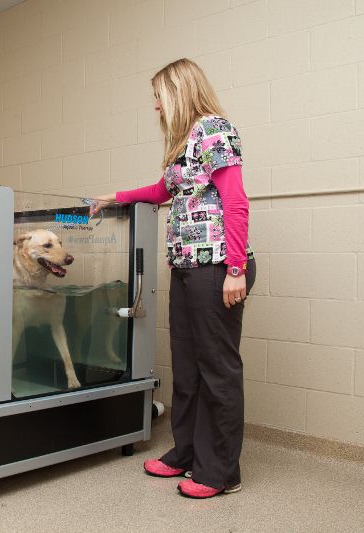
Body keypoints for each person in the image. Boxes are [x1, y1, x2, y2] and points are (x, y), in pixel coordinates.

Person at [91, 58, 255, 499]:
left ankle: (221, 472)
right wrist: (115, 197)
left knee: (217, 370)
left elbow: (236, 201)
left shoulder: (215, 129)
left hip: (217, 267)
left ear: (178, 92)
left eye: (159, 97)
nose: (156, 107)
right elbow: (162, 191)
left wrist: (235, 269)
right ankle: (186, 453)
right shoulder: (185, 141)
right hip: (186, 267)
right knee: (186, 367)